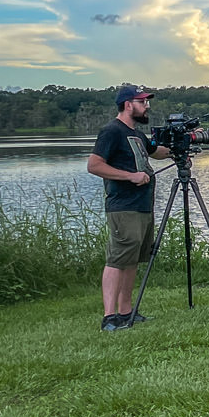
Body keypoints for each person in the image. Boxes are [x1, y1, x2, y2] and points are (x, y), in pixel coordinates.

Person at [86, 84, 171, 331]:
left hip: (142, 206)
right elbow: (94, 165)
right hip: (123, 206)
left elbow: (156, 152)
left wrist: (180, 149)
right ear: (128, 105)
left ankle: (126, 312)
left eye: (146, 102)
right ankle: (109, 317)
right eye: (142, 102)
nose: (147, 107)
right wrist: (129, 176)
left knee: (132, 259)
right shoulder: (111, 131)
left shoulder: (136, 134)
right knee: (117, 259)